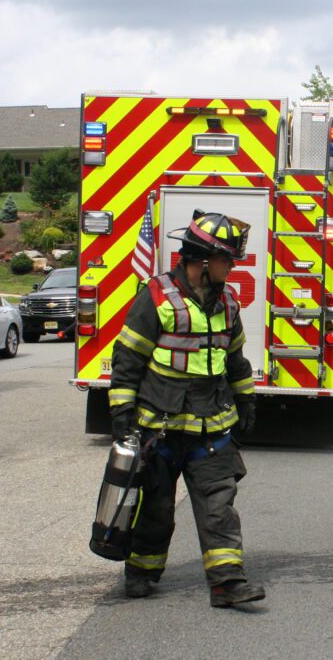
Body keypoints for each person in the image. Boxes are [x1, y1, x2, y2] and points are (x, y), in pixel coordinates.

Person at [107, 211, 265, 607]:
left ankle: (227, 583)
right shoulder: (156, 298)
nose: (232, 268)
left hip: (211, 427)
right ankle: (142, 570)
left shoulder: (228, 302)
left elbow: (235, 360)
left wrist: (246, 400)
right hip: (160, 428)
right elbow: (128, 359)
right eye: (226, 260)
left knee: (219, 506)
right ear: (203, 260)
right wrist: (122, 415)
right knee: (156, 507)